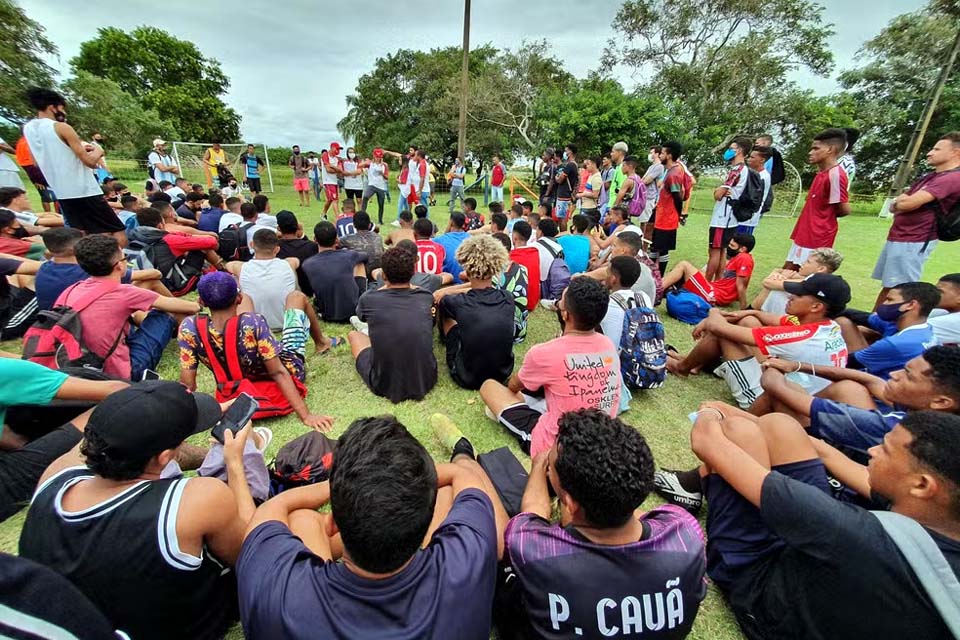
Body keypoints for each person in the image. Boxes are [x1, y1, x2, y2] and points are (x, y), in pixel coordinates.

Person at [687, 406, 960, 640]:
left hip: (762, 592)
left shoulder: (855, 533)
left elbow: (707, 442)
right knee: (781, 426)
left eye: (885, 450)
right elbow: (829, 455)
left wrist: (710, 412)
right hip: (829, 581)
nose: (872, 451)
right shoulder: (938, 519)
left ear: (922, 485)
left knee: (738, 433)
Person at [19, 381, 262, 640]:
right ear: (163, 456)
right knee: (251, 474)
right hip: (190, 624)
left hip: (88, 624)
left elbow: (113, 450)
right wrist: (233, 461)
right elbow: (251, 554)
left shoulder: (53, 477)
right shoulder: (202, 498)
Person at [236, 414, 505, 639]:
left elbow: (271, 510)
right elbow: (463, 475)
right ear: (427, 529)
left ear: (333, 524)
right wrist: (411, 480)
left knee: (301, 520)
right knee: (449, 493)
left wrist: (340, 487)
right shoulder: (471, 556)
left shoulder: (274, 590)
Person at [503, 409, 707, 639]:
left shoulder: (533, 549)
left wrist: (539, 465)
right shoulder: (686, 534)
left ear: (569, 502)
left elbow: (533, 513)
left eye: (551, 468)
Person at [480, 277, 621, 456]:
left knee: (489, 387)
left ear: (565, 314)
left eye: (560, 302)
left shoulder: (544, 353)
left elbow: (514, 386)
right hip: (602, 436)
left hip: (557, 447)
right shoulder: (609, 346)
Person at [667, 273, 851, 408]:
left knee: (723, 334)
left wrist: (712, 313)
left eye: (799, 295)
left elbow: (718, 327)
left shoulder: (803, 336)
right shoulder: (828, 327)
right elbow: (769, 319)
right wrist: (751, 311)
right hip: (797, 391)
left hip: (774, 401)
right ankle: (694, 362)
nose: (790, 296)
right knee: (749, 321)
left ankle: (682, 367)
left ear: (817, 306)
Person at [179, 272, 335, 430]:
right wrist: (306, 416)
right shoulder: (253, 322)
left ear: (201, 301)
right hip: (280, 374)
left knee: (246, 325)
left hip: (234, 390)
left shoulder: (189, 328)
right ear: (238, 299)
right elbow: (278, 372)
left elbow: (188, 383)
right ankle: (321, 343)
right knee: (296, 297)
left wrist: (183, 420)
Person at [758, 345, 960, 461]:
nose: (893, 375)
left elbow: (777, 388)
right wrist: (797, 365)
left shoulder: (902, 428)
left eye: (908, 376)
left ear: (941, 401)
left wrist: (772, 366)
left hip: (860, 479)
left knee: (781, 399)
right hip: (872, 454)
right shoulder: (931, 410)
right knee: (848, 387)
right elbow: (870, 380)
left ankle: (736, 430)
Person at [55, 235, 198, 380]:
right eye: (125, 258)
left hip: (76, 370)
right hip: (121, 373)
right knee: (171, 312)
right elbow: (189, 308)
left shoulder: (71, 290)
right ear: (119, 265)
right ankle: (196, 345)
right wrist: (201, 302)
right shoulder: (123, 293)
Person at [22, 88, 126, 245]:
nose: (64, 113)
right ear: (53, 107)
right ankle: (122, 263)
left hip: (63, 193)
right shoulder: (61, 127)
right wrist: (98, 150)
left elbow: (36, 161)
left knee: (82, 234)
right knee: (116, 229)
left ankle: (90, 264)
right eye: (62, 108)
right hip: (84, 190)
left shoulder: (29, 129)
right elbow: (90, 162)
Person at [873, 132, 960, 307]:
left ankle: (884, 327)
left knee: (900, 289)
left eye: (937, 149)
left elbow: (907, 203)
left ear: (955, 153)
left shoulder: (952, 178)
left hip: (915, 238)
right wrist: (902, 201)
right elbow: (896, 203)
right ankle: (874, 322)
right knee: (889, 286)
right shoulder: (930, 177)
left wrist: (902, 202)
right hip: (900, 236)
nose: (930, 153)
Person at [348, 243, 437, 402]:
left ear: (383, 275)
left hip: (384, 383)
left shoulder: (368, 298)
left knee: (354, 335)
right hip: (426, 378)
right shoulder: (426, 296)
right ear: (412, 273)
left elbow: (361, 317)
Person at [433, 235, 515, 390]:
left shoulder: (458, 302)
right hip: (502, 374)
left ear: (467, 269)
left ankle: (444, 341)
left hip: (467, 377)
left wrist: (447, 290)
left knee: (445, 311)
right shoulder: (508, 298)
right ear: (496, 267)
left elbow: (440, 299)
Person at [35, 227, 165, 311]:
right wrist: (158, 273)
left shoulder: (43, 269)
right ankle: (177, 317)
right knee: (151, 281)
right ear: (74, 248)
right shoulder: (89, 270)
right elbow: (151, 274)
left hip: (54, 323)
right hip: (86, 323)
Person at [836, 282, 939, 379]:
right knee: (843, 322)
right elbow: (861, 316)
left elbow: (841, 363)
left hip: (882, 392)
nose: (884, 304)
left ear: (910, 305)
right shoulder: (925, 329)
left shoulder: (896, 344)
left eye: (890, 300)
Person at [785, 128, 850, 269]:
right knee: (787, 271)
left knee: (800, 276)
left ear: (830, 149)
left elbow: (844, 209)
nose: (810, 152)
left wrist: (823, 217)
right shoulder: (821, 174)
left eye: (815, 148)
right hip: (804, 234)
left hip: (816, 237)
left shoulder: (835, 175)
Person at [129, 206, 221, 295]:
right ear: (160, 225)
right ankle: (222, 272)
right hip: (172, 286)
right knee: (201, 246)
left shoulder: (133, 236)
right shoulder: (167, 239)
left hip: (139, 282)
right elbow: (211, 242)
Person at [660, 233, 756, 310]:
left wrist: (744, 309)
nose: (729, 247)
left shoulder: (744, 258)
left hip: (714, 295)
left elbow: (741, 286)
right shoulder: (739, 257)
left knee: (684, 265)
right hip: (714, 289)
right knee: (690, 269)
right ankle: (667, 287)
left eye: (732, 245)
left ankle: (657, 290)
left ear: (743, 249)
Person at [301, 221, 366, 323]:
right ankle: (362, 300)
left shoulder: (307, 264)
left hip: (327, 315)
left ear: (315, 240)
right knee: (359, 263)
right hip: (353, 312)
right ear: (336, 239)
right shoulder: (349, 256)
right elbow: (365, 256)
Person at [706, 136, 751, 282]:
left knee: (714, 252)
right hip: (729, 219)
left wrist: (717, 190)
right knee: (722, 250)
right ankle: (718, 282)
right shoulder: (742, 170)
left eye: (731, 148)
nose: (728, 151)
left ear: (739, 151)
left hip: (722, 219)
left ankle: (706, 284)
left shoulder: (737, 170)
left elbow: (718, 195)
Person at [236, 229, 299, 330]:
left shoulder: (241, 268)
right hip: (287, 322)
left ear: (251, 245)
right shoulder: (288, 264)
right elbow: (295, 260)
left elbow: (230, 265)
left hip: (255, 326)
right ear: (277, 249)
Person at [752, 247, 843, 316]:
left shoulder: (813, 284)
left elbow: (767, 283)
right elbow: (779, 272)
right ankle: (752, 312)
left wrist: (780, 277)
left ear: (821, 269)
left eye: (808, 262)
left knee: (774, 290)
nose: (803, 263)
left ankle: (752, 311)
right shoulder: (824, 280)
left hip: (798, 319)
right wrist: (779, 274)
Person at [649, 141, 688, 274]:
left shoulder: (674, 174)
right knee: (654, 246)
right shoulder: (671, 170)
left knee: (661, 248)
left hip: (667, 218)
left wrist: (679, 214)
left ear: (669, 155)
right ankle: (652, 272)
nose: (660, 155)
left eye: (663, 153)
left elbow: (677, 196)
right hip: (661, 214)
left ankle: (659, 276)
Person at [600, 256, 650, 349]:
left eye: (607, 273)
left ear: (613, 279)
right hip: (646, 354)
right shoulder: (644, 297)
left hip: (620, 359)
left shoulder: (608, 304)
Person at [276, 210, 319, 296]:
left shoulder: (274, 249)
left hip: (284, 294)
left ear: (279, 228)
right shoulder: (312, 246)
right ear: (297, 227)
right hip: (309, 293)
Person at [339, 210, 384, 279]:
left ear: (353, 225)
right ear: (369, 225)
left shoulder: (347, 239)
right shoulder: (378, 237)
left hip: (360, 277)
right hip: (378, 275)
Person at [738, 145, 772, 236]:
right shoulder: (750, 173)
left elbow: (752, 198)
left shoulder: (763, 177)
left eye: (752, 157)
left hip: (747, 219)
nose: (748, 159)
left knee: (739, 245)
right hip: (737, 216)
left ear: (762, 160)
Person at [509, 220, 541, 310]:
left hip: (519, 303)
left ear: (514, 236)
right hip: (533, 301)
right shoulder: (535, 252)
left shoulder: (510, 256)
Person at [435, 212, 471, 283]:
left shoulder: (439, 240)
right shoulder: (471, 238)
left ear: (452, 222)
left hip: (450, 281)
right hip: (468, 281)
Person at [638, 145, 666, 238]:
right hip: (645, 197)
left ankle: (645, 243)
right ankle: (641, 240)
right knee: (642, 221)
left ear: (657, 154)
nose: (650, 155)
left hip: (651, 197)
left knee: (647, 222)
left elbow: (646, 181)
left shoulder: (659, 167)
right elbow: (642, 180)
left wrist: (642, 181)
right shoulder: (651, 167)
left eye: (651, 153)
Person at [930, 273, 960, 345]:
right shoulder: (942, 311)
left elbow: (908, 333)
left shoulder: (955, 321)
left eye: (939, 291)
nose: (932, 294)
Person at [362, 148, 390, 224]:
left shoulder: (384, 165)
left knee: (381, 204)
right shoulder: (370, 163)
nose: (378, 158)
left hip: (381, 186)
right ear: (374, 156)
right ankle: (362, 216)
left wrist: (382, 174)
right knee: (365, 197)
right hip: (372, 185)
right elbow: (360, 165)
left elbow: (387, 177)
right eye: (376, 156)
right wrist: (366, 162)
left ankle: (380, 220)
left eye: (379, 157)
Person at [321, 142, 343, 219]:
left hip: (334, 181)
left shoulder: (337, 159)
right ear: (332, 148)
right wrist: (336, 169)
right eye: (337, 149)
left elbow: (340, 170)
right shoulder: (325, 155)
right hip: (328, 181)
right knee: (334, 199)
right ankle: (338, 216)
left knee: (330, 200)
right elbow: (328, 170)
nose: (338, 151)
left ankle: (323, 214)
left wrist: (333, 166)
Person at [606, 141, 629, 211]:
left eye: (613, 152)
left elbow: (621, 190)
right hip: (611, 203)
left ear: (620, 153)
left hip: (615, 207)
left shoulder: (623, 168)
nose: (611, 154)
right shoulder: (618, 167)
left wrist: (614, 207)